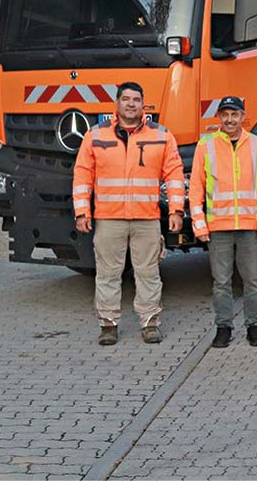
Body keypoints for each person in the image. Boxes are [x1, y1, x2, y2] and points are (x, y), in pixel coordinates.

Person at [73, 82, 184, 346]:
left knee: (148, 273)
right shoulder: (95, 135)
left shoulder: (161, 135)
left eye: (136, 100)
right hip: (109, 218)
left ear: (143, 105)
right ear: (117, 103)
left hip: (146, 218)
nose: (131, 104)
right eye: (126, 99)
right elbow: (82, 175)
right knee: (108, 273)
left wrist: (177, 210)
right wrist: (81, 212)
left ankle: (149, 323)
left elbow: (175, 174)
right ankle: (108, 325)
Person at [190, 96, 257, 348]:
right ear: (219, 118)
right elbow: (195, 188)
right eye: (225, 114)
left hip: (249, 227)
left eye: (234, 114)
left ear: (242, 117)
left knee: (252, 280)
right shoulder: (205, 146)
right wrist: (199, 224)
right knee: (221, 282)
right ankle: (224, 327)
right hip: (218, 228)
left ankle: (254, 326)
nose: (230, 119)